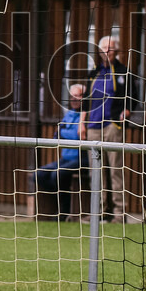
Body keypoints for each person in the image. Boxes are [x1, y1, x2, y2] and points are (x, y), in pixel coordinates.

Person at [79, 36, 140, 223]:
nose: (106, 51)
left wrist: (125, 112)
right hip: (93, 127)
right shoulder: (93, 73)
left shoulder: (124, 72)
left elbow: (133, 98)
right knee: (95, 170)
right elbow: (86, 101)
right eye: (103, 48)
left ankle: (119, 213)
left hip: (112, 126)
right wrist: (82, 123)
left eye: (110, 48)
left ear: (117, 51)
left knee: (114, 169)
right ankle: (99, 211)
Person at [36, 84, 87, 220]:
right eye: (72, 96)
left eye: (78, 96)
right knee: (39, 174)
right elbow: (56, 134)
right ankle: (61, 203)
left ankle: (64, 211)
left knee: (57, 175)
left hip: (81, 159)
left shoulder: (86, 115)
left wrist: (63, 133)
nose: (74, 99)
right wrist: (66, 133)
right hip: (66, 157)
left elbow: (79, 137)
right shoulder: (69, 114)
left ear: (84, 98)